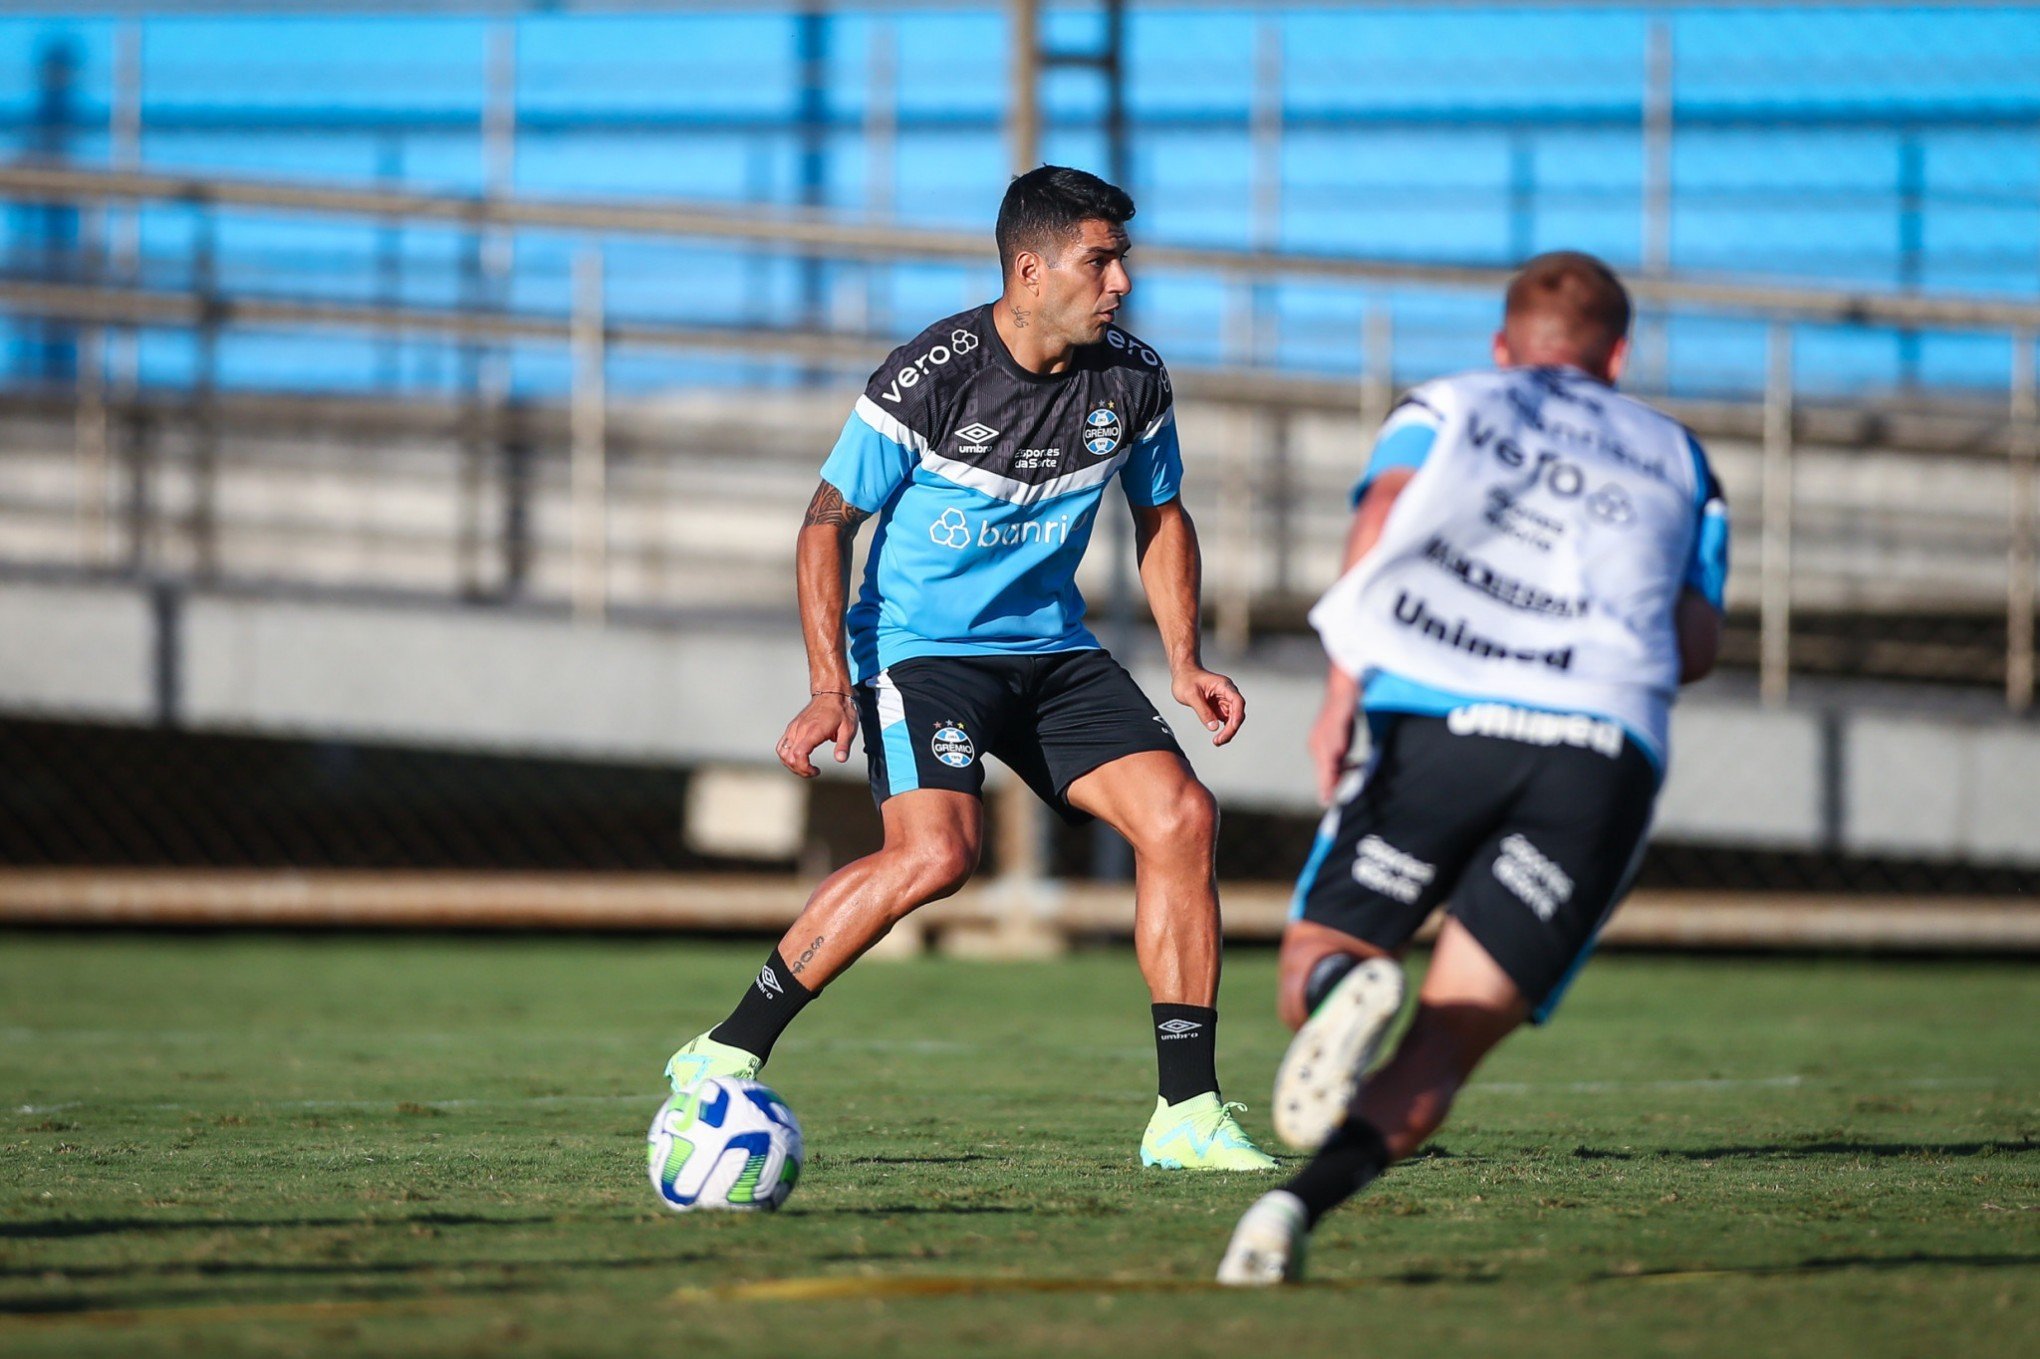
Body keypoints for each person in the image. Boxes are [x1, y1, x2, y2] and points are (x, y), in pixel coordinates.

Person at [662, 165, 1275, 1172]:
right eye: (1102, 260)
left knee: (1182, 819)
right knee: (939, 855)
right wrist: (828, 684)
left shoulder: (1132, 378)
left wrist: (1186, 659)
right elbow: (826, 527)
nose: (1121, 281)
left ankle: (1186, 1115)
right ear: (1030, 272)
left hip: (1052, 651)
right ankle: (725, 1049)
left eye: (1123, 259)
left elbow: (1160, 517)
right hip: (922, 653)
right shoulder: (930, 375)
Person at [1217, 251, 1730, 1281]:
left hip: (1444, 714)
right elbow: (1696, 642)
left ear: (1505, 345)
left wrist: (1339, 691)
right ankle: (1283, 1218)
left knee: (1315, 953)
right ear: (1619, 355)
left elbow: (1379, 524)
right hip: (1602, 750)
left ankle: (1344, 986)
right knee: (1448, 1040)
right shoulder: (1681, 458)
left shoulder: (1447, 403)